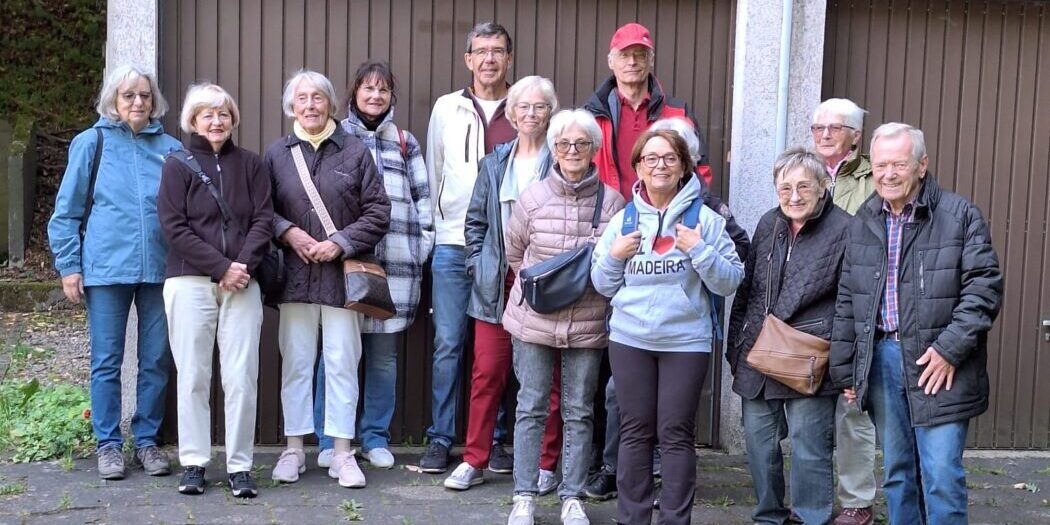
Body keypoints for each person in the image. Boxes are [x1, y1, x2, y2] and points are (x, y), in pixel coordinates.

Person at [830, 123, 1003, 524]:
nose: (888, 174)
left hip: (939, 363)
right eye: (881, 165)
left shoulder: (960, 215)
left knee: (941, 474)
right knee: (897, 473)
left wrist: (948, 350)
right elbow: (847, 299)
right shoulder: (864, 220)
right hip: (882, 359)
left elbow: (984, 290)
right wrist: (847, 369)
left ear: (921, 165)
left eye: (899, 164)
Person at [582, 23, 715, 500]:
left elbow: (699, 170)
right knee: (607, 376)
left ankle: (657, 468)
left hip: (669, 233)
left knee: (653, 403)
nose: (633, 62)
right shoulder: (591, 114)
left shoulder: (676, 114)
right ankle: (610, 466)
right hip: (617, 231)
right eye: (625, 54)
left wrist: (694, 227)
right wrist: (614, 237)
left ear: (650, 59)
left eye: (641, 54)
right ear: (611, 59)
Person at [591, 129, 743, 525]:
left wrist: (699, 250)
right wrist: (614, 256)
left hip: (685, 342)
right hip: (630, 339)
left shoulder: (705, 221)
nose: (660, 165)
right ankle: (632, 518)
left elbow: (730, 281)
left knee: (675, 433)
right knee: (635, 431)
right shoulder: (623, 220)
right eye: (651, 158)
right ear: (638, 166)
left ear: (683, 167)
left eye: (669, 158)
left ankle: (675, 520)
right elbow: (602, 283)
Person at [48, 64, 180, 481]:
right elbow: (65, 212)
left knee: (156, 359)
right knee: (106, 360)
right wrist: (69, 266)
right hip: (105, 269)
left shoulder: (172, 148)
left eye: (144, 95)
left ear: (154, 101)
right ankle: (108, 444)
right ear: (114, 100)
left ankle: (146, 442)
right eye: (129, 96)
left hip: (160, 269)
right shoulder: (91, 143)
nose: (137, 102)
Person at [266, 69, 391, 489]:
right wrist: (287, 231)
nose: (310, 105)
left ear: (331, 104)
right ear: (291, 107)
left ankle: (341, 452)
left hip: (341, 278)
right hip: (294, 277)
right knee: (297, 364)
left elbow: (378, 211)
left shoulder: (354, 152)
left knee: (342, 364)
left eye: (318, 97)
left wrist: (340, 242)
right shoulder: (277, 154)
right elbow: (259, 210)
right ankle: (294, 450)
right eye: (302, 98)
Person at [502, 109, 625, 525]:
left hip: (588, 320)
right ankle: (524, 496)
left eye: (582, 144)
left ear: (595, 149)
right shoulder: (532, 198)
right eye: (564, 144)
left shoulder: (612, 202)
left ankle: (572, 496)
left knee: (579, 410)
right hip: (533, 319)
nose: (572, 151)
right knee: (531, 406)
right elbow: (515, 255)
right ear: (553, 148)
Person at [312, 60, 435, 470]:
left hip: (397, 265)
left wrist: (422, 246)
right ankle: (331, 437)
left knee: (383, 357)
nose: (375, 96)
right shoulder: (335, 137)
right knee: (336, 354)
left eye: (383, 90)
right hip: (345, 264)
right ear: (354, 93)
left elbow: (423, 200)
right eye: (368, 88)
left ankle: (375, 437)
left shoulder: (404, 141)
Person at [444, 76, 563, 492]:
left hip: (544, 284)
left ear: (552, 113)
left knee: (544, 380)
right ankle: (474, 458)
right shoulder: (495, 162)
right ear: (511, 114)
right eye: (523, 107)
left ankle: (545, 464)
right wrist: (479, 266)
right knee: (487, 374)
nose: (531, 114)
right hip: (497, 283)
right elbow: (475, 222)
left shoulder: (561, 159)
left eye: (540, 107)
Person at [157, 83, 273, 497]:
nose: (216, 121)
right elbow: (174, 228)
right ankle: (194, 462)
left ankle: (240, 465)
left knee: (242, 377)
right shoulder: (176, 165)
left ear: (233, 119)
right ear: (192, 121)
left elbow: (263, 221)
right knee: (193, 375)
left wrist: (239, 268)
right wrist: (222, 266)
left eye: (223, 113)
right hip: (189, 281)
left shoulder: (252, 165)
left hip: (244, 283)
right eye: (206, 114)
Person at [726, 148, 851, 524]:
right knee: (760, 444)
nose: (794, 196)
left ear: (823, 186)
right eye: (785, 188)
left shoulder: (845, 229)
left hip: (809, 356)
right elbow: (748, 290)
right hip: (759, 352)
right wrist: (737, 345)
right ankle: (769, 515)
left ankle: (812, 516)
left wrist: (845, 364)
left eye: (803, 187)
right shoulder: (769, 223)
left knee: (809, 446)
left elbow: (850, 303)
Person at [423, 21, 518, 474]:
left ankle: (494, 439)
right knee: (447, 344)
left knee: (493, 350)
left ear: (508, 58)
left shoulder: (523, 107)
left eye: (497, 51)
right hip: (451, 243)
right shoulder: (446, 108)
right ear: (467, 59)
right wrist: (437, 228)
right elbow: (433, 168)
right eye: (480, 51)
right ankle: (441, 438)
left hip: (503, 250)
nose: (488, 59)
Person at [810, 98, 878, 525]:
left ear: (856, 135)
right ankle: (812, 499)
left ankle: (857, 500)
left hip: (857, 308)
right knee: (810, 411)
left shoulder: (875, 178)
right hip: (813, 308)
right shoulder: (806, 172)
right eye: (818, 128)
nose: (825, 135)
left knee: (854, 409)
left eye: (835, 128)